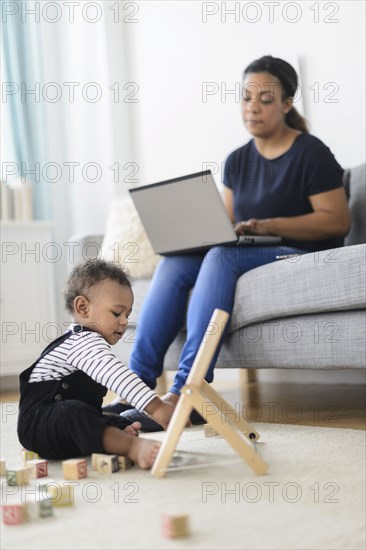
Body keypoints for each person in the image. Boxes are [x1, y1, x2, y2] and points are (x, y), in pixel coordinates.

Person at [119, 55, 350, 430]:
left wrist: (271, 223)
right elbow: (225, 227)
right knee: (176, 262)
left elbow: (337, 220)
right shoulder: (237, 160)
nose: (252, 107)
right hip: (251, 249)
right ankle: (136, 389)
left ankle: (186, 394)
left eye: (265, 99)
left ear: (287, 103)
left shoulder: (311, 152)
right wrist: (196, 233)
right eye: (246, 97)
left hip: (301, 251)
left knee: (222, 258)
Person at [17, 258, 177, 469]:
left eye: (127, 315)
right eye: (116, 313)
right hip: (39, 426)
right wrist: (157, 407)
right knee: (75, 413)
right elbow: (117, 375)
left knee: (114, 418)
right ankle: (132, 447)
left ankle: (113, 437)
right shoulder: (81, 342)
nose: (124, 322)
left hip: (66, 429)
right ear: (83, 308)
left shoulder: (89, 342)